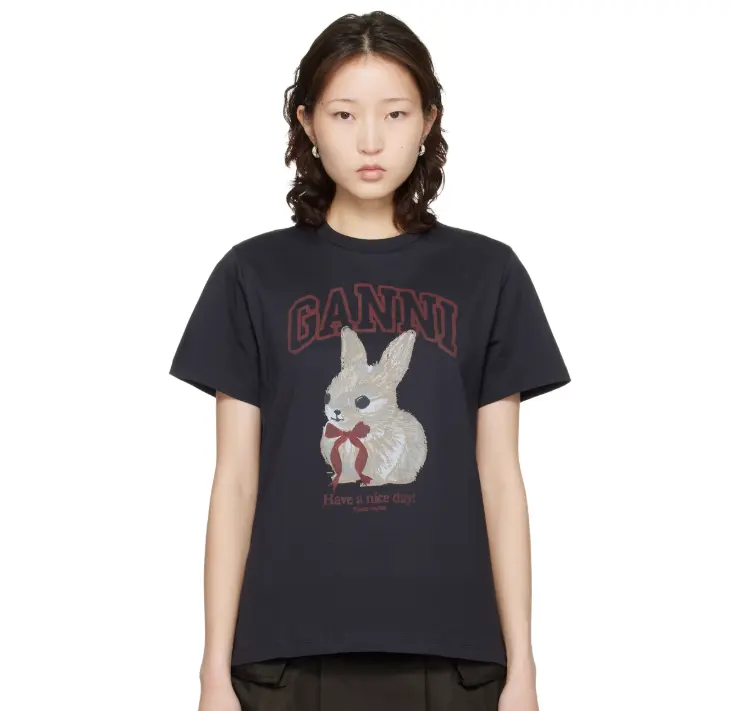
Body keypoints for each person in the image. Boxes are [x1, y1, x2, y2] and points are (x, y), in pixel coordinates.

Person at [169, 10, 571, 711]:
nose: (370, 139)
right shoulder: (251, 274)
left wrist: (524, 669)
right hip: (283, 657)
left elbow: (501, 479)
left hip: (454, 655)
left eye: (395, 112)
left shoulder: (488, 273)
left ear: (428, 121)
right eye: (344, 113)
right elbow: (234, 481)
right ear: (306, 122)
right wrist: (211, 673)